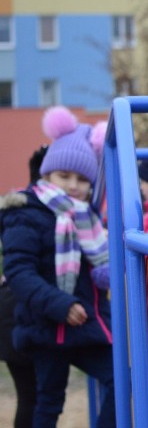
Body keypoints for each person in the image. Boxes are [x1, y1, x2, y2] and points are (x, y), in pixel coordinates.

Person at [0, 106, 115, 427]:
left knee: (122, 382)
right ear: (47, 175)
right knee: (48, 401)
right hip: (46, 326)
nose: (73, 186)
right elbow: (20, 272)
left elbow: (98, 269)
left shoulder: (89, 219)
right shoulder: (25, 213)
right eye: (64, 176)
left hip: (86, 327)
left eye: (82, 179)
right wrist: (60, 305)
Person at [0, 146, 45, 428]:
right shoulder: (32, 212)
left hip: (13, 308)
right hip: (15, 311)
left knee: (32, 395)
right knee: (32, 395)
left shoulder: (21, 209)